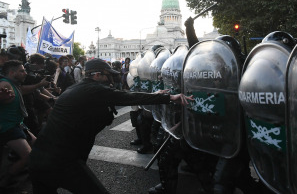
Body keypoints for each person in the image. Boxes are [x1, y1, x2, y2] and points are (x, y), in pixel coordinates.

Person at [29, 58, 193, 194]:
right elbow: (128, 98)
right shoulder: (93, 90)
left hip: (40, 157)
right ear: (97, 75)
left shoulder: (78, 88)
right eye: (108, 76)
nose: (111, 80)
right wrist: (170, 98)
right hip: (61, 160)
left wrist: (153, 95)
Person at [0, 60, 36, 189]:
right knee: (28, 156)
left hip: (17, 124)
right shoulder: (5, 84)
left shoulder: (14, 84)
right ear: (12, 72)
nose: (25, 73)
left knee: (36, 144)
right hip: (7, 127)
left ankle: (15, 160)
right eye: (22, 71)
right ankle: (6, 179)